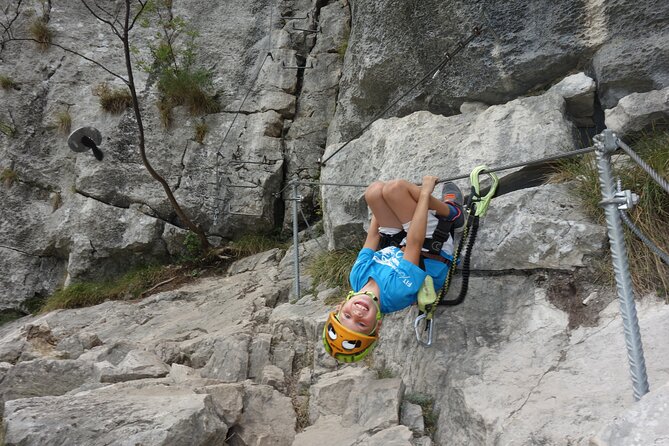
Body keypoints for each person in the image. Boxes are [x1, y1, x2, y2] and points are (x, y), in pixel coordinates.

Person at [322, 176, 464, 362]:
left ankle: (394, 197)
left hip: (402, 245)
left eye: (347, 315)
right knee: (397, 189)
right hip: (431, 248)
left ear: (339, 307)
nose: (356, 314)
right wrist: (425, 193)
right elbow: (415, 241)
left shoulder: (357, 278)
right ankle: (453, 213)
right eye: (361, 323)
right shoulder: (395, 293)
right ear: (377, 325)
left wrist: (379, 205)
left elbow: (373, 237)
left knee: (373, 191)